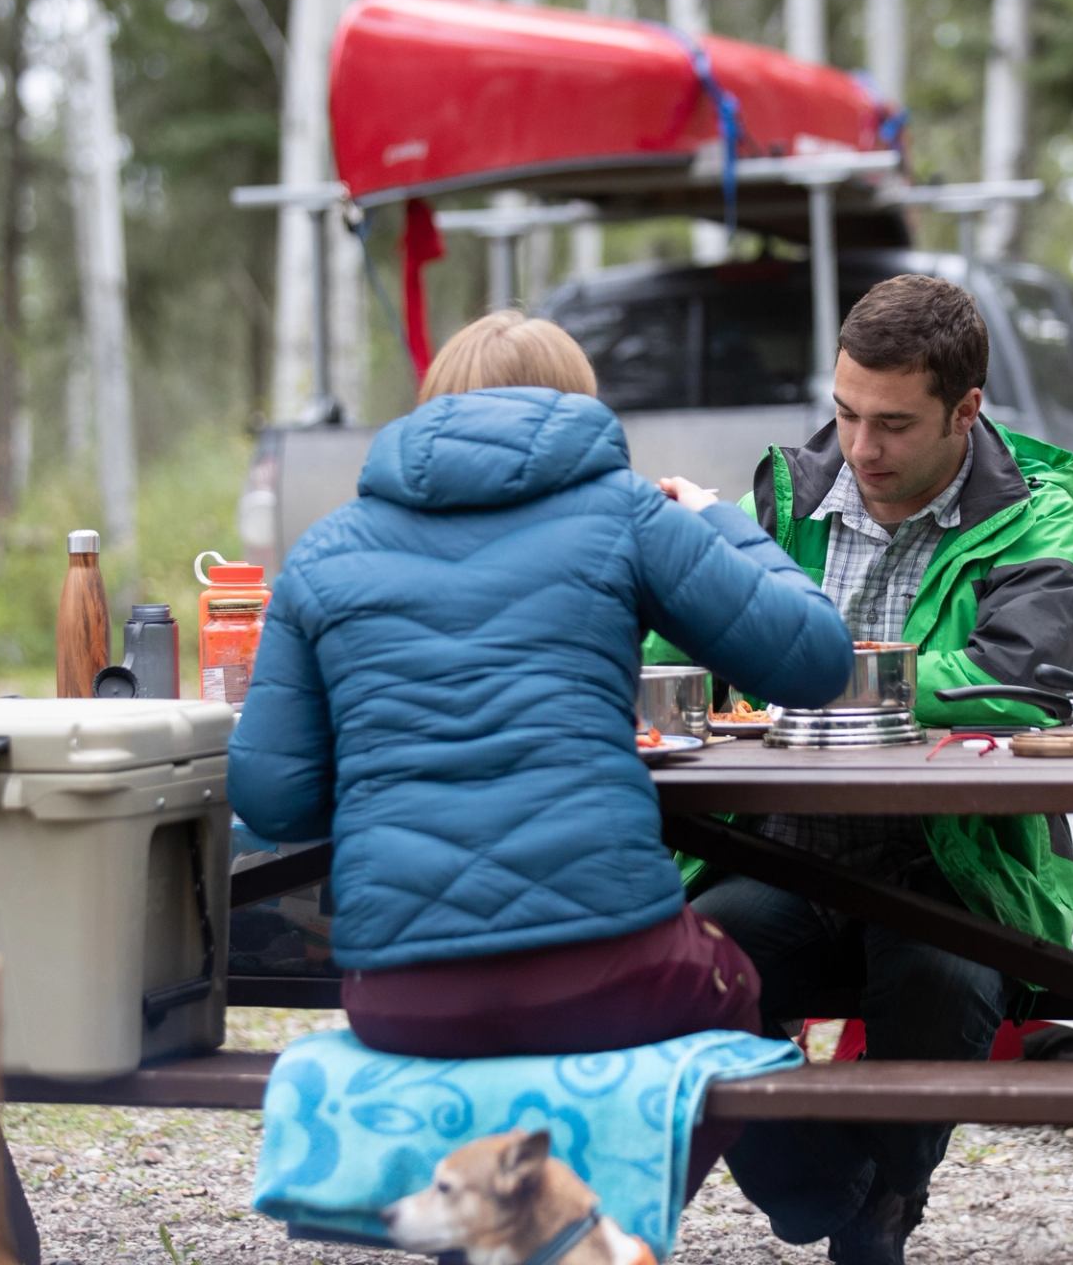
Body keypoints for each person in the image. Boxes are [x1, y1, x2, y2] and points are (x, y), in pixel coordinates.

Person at [226, 310, 854, 1191]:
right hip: (607, 966)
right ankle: (763, 1207)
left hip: (400, 992)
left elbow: (271, 797)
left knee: (499, 1070)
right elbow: (816, 658)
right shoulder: (628, 514)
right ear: (574, 408)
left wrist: (398, 763)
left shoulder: (326, 549)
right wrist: (724, 524)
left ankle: (510, 1226)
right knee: (735, 992)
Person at [673, 274, 1073, 1264]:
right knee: (681, 970)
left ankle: (885, 1208)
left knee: (941, 979)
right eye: (847, 413)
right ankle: (829, 1186)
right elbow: (676, 656)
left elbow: (1019, 681)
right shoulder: (779, 495)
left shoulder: (1035, 511)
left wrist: (828, 672)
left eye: (895, 424)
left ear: (967, 408)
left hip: (952, 866)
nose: (862, 448)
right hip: (779, 857)